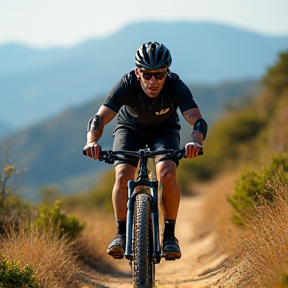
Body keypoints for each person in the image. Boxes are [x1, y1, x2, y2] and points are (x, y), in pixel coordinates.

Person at [83, 41, 207, 261]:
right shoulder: (127, 83)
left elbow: (196, 120)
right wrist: (92, 141)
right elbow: (100, 117)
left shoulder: (175, 85)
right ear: (138, 71)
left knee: (167, 172)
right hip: (129, 129)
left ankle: (169, 236)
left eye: (159, 75)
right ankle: (121, 233)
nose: (153, 81)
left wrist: (195, 142)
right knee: (122, 175)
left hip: (164, 130)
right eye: (148, 74)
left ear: (166, 72)